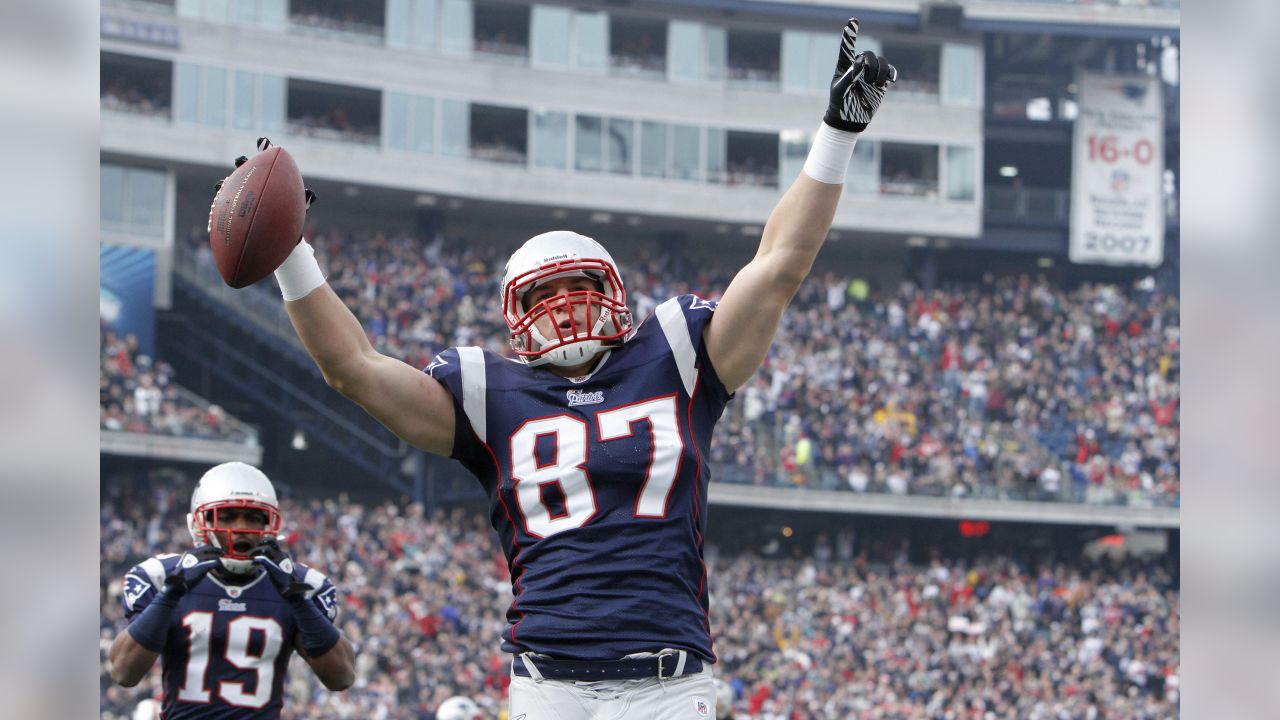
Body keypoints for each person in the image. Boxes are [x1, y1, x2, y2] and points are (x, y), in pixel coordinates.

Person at [240, 17, 894, 720]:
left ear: (616, 291)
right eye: (543, 294)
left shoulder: (676, 354)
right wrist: (290, 253)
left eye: (578, 284)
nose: (564, 305)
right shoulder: (489, 394)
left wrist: (837, 134)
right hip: (548, 683)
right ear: (513, 312)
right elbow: (354, 369)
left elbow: (777, 266)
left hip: (669, 685)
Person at [107, 462, 356, 718]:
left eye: (252, 518)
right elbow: (124, 672)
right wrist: (170, 595)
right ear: (199, 523)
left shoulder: (301, 583)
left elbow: (342, 676)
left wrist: (297, 599)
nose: (241, 528)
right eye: (226, 516)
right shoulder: (161, 576)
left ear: (270, 524)